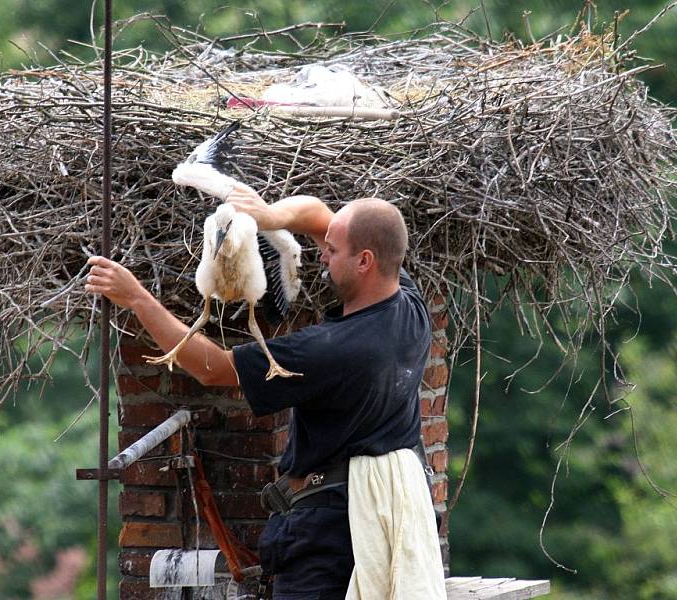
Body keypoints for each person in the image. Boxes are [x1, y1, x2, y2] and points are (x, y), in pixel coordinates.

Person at [85, 184, 445, 600]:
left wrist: (136, 298)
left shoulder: (332, 350)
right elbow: (319, 215)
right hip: (363, 519)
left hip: (327, 541)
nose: (322, 256)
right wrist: (268, 217)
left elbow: (213, 369)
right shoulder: (409, 307)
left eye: (332, 251)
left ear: (365, 260)